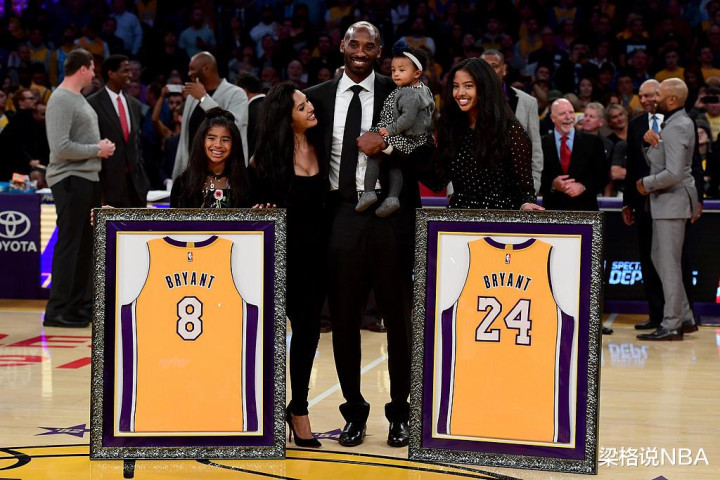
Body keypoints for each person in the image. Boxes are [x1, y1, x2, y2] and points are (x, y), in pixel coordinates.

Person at [305, 21, 437, 449]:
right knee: (344, 319)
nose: (361, 51)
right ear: (342, 46)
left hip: (390, 214)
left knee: (398, 318)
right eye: (354, 43)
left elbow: (425, 150)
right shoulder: (316, 98)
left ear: (380, 51)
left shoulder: (401, 90)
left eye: (369, 46)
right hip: (340, 214)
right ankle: (354, 412)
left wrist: (387, 143)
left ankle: (400, 412)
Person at [250, 81, 328, 448]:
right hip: (278, 260)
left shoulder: (323, 146)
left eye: (308, 101)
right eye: (301, 106)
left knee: (308, 335)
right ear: (286, 117)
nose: (310, 107)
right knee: (267, 338)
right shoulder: (264, 160)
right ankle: (263, 411)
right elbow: (251, 209)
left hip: (316, 259)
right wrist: (258, 209)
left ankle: (298, 409)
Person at [44, 48, 116, 328]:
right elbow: (60, 147)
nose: (95, 74)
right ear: (83, 69)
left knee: (84, 245)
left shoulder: (76, 98)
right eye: (93, 68)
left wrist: (97, 150)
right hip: (70, 179)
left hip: (86, 179)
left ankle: (75, 306)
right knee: (70, 244)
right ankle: (57, 309)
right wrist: (97, 149)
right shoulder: (61, 99)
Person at [636, 79, 699, 341]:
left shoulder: (677, 126)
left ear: (672, 100)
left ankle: (672, 324)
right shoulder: (674, 122)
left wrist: (645, 184)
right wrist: (649, 144)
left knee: (669, 265)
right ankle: (685, 317)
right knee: (661, 260)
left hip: (672, 202)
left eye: (659, 94)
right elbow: (664, 160)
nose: (654, 98)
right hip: (667, 203)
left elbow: (673, 173)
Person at [435, 58, 542, 211]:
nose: (460, 93)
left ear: (485, 88)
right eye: (455, 86)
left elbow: (525, 189)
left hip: (500, 218)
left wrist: (526, 204)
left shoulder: (510, 130)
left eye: (468, 86)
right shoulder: (451, 128)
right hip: (459, 218)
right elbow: (438, 180)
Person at [357, 43, 434, 216]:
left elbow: (407, 119)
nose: (396, 74)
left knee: (374, 154)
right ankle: (392, 198)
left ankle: (368, 192)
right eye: (393, 70)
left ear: (417, 73)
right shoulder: (420, 89)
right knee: (395, 164)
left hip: (403, 136)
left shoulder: (410, 94)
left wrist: (389, 130)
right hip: (409, 137)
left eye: (401, 70)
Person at [173, 52, 249, 179]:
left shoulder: (236, 94)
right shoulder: (192, 96)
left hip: (226, 174)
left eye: (192, 69)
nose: (189, 73)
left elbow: (233, 126)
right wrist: (178, 174)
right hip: (193, 174)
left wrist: (203, 98)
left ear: (206, 68)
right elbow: (184, 140)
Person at [88, 54, 150, 207]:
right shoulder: (92, 103)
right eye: (125, 71)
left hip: (136, 185)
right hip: (107, 185)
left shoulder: (135, 105)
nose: (130, 75)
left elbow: (136, 144)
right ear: (111, 73)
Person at [480, 49, 544, 194]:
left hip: (516, 189)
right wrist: (453, 190)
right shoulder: (465, 101)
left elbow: (535, 149)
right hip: (475, 188)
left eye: (494, 66)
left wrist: (533, 187)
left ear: (504, 69)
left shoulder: (527, 103)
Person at [170, 108, 249, 208]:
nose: (218, 145)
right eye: (211, 138)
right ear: (202, 141)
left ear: (234, 144)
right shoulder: (183, 183)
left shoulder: (245, 183)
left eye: (225, 140)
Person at [540, 98, 608, 212]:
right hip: (553, 210)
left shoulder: (593, 142)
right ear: (552, 118)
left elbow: (603, 176)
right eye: (562, 113)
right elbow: (534, 176)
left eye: (571, 112)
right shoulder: (541, 143)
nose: (568, 117)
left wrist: (583, 186)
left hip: (585, 210)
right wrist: (553, 184)